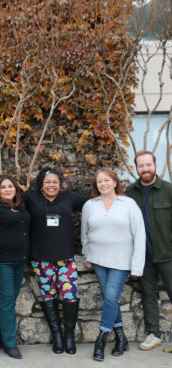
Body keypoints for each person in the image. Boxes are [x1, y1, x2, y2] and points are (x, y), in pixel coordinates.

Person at [22, 167, 88, 355]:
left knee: (69, 295)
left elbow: (95, 202)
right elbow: (6, 197)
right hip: (40, 259)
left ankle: (69, 337)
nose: (52, 185)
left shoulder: (69, 197)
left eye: (55, 182)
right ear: (41, 184)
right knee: (48, 295)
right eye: (48, 181)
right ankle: (57, 336)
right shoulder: (31, 197)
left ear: (61, 184)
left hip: (65, 258)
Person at [82, 168, 145, 361]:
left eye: (107, 180)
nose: (103, 184)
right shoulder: (90, 205)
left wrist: (137, 266)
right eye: (99, 181)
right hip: (98, 259)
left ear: (115, 182)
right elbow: (84, 233)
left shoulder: (128, 204)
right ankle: (120, 338)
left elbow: (140, 235)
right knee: (111, 299)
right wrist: (87, 254)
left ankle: (101, 340)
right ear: (96, 185)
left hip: (121, 260)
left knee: (110, 298)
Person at [126, 150, 172, 351]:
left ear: (155, 165)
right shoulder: (129, 193)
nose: (145, 169)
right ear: (136, 168)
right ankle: (154, 334)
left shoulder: (168, 190)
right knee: (149, 296)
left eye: (148, 164)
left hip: (168, 254)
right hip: (143, 256)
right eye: (141, 165)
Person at [0, 175, 30, 360]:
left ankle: (2, 339)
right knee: (7, 302)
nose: (8, 189)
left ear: (16, 188)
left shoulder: (21, 205)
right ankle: (10, 344)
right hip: (1, 263)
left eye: (11, 186)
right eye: (3, 187)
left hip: (19, 261)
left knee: (7, 302)